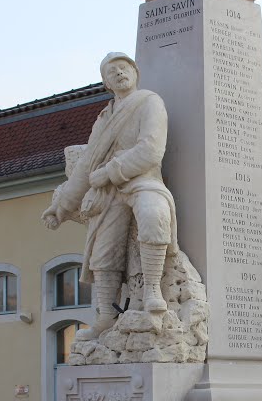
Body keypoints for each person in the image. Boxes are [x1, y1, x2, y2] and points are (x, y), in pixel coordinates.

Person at [42, 52, 177, 338]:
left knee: (154, 214)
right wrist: (62, 206)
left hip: (142, 180)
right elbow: (87, 163)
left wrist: (110, 172)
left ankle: (153, 289)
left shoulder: (150, 103)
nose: (119, 73)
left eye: (124, 67)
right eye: (112, 71)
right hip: (109, 191)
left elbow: (151, 151)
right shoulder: (104, 117)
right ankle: (105, 314)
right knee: (103, 251)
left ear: (135, 72)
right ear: (106, 83)